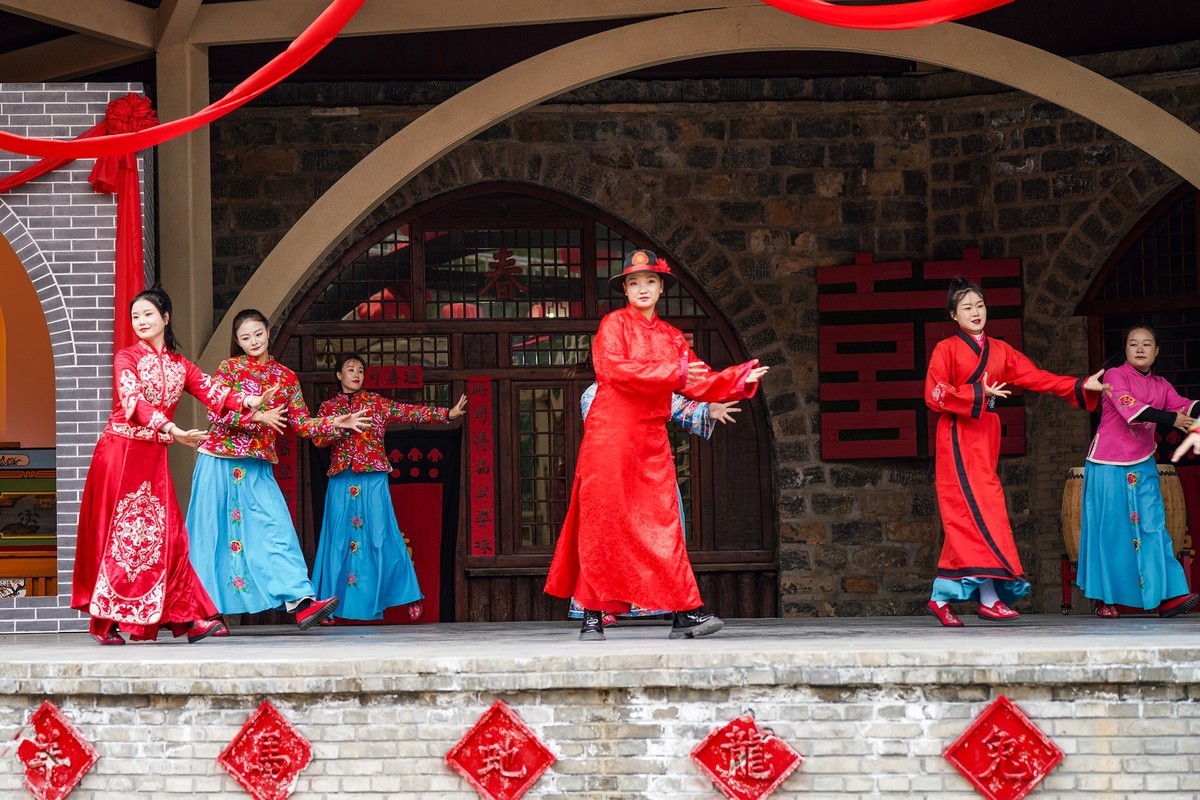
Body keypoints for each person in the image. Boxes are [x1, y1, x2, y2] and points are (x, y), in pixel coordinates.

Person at [544, 249, 769, 641]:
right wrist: (675, 371)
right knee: (603, 525)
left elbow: (696, 381)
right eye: (634, 283)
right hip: (610, 435)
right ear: (625, 291)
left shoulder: (671, 337)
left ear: (661, 288)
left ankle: (684, 612)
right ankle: (593, 614)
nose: (643, 288)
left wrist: (738, 378)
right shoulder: (613, 326)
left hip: (650, 441)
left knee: (664, 526)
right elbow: (615, 370)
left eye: (650, 282)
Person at [71, 288, 275, 645]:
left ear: (165, 318)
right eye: (136, 317)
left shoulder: (181, 365)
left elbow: (214, 392)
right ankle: (105, 623)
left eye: (148, 314)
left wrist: (251, 400)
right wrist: (172, 429)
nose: (141, 322)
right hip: (120, 454)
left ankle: (189, 615)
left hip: (153, 455)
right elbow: (132, 402)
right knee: (123, 538)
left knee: (170, 537)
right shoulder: (126, 358)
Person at [925, 277, 1107, 627]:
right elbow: (934, 393)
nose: (976, 312)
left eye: (980, 305)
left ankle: (941, 595)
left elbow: (1035, 377)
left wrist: (1079, 384)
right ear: (953, 315)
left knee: (974, 515)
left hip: (985, 436)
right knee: (981, 513)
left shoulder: (1000, 351)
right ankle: (989, 599)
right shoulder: (945, 350)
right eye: (967, 308)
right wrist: (977, 391)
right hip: (958, 436)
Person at [186, 309, 370, 628]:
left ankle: (301, 601)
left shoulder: (285, 377)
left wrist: (335, 422)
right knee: (211, 535)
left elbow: (301, 425)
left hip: (257, 465)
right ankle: (202, 612)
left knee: (277, 529)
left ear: (268, 332)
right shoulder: (229, 369)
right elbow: (214, 414)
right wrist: (255, 416)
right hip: (218, 461)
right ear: (238, 342)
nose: (253, 341)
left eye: (258, 334)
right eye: (245, 337)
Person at [566, 384, 741, 625]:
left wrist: (707, 410)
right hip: (613, 477)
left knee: (663, 542)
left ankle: (677, 608)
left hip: (650, 476)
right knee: (606, 543)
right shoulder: (593, 393)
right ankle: (597, 611)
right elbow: (604, 432)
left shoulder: (651, 388)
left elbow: (678, 406)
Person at [309, 354, 467, 622]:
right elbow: (317, 439)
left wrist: (446, 414)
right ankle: (326, 606)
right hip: (341, 479)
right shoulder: (328, 408)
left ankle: (411, 595)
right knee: (335, 540)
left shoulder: (375, 404)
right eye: (350, 369)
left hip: (373, 478)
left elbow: (409, 411)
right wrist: (339, 425)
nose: (356, 374)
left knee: (384, 536)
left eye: (360, 370)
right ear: (338, 375)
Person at [1079, 326, 1200, 617]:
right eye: (1133, 344)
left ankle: (1168, 596)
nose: (1140, 349)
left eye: (1147, 344)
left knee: (1153, 526)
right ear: (1126, 350)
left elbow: (1185, 406)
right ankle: (1104, 598)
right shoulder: (1114, 376)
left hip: (1143, 461)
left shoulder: (1161, 385)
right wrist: (1174, 419)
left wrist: (1192, 413)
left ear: (1156, 351)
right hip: (1108, 464)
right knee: (1110, 532)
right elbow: (1132, 409)